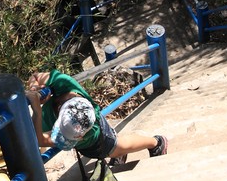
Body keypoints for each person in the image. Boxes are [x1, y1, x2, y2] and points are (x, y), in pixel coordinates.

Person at [24, 69, 167, 165]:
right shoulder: (64, 84)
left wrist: (37, 111)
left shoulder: (85, 132)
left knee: (116, 147)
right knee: (117, 147)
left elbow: (39, 140)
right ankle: (124, 152)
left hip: (98, 141)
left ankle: (156, 143)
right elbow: (35, 76)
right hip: (93, 124)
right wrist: (36, 89)